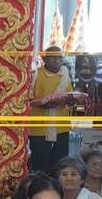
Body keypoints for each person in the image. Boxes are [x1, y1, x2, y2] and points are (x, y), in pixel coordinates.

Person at [29, 47, 75, 176]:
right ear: (44, 59)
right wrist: (43, 103)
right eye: (53, 57)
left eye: (60, 58)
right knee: (40, 163)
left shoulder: (65, 74)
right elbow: (29, 99)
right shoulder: (36, 74)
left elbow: (69, 96)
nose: (57, 61)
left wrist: (72, 100)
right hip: (40, 127)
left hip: (61, 127)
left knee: (60, 163)